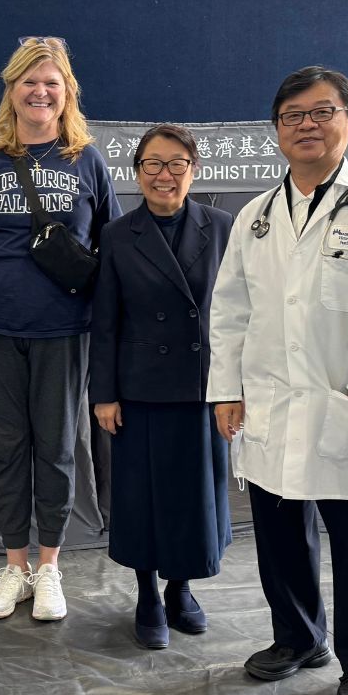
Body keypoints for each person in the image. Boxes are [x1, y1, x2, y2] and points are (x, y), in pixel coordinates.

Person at [207, 66, 348, 695]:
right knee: (278, 536)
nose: (306, 125)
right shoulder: (256, 216)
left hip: (345, 404)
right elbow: (230, 310)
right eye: (292, 116)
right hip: (270, 406)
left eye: (320, 112)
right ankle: (298, 638)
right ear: (276, 131)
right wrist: (226, 390)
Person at [0, 36, 121, 622]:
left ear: (68, 95)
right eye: (29, 82)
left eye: (52, 83)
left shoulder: (85, 160)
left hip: (64, 331)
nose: (40, 92)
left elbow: (111, 247)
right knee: (6, 450)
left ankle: (51, 567)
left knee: (59, 450)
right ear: (11, 91)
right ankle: (15, 565)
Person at [88, 123, 233, 649]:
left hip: (200, 387)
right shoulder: (116, 235)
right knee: (142, 497)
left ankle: (182, 588)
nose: (164, 175)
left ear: (193, 170)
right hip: (139, 388)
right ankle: (147, 593)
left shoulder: (221, 226)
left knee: (192, 497)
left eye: (176, 164)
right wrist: (103, 393)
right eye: (152, 164)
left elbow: (235, 315)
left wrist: (234, 387)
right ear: (137, 173)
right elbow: (104, 321)